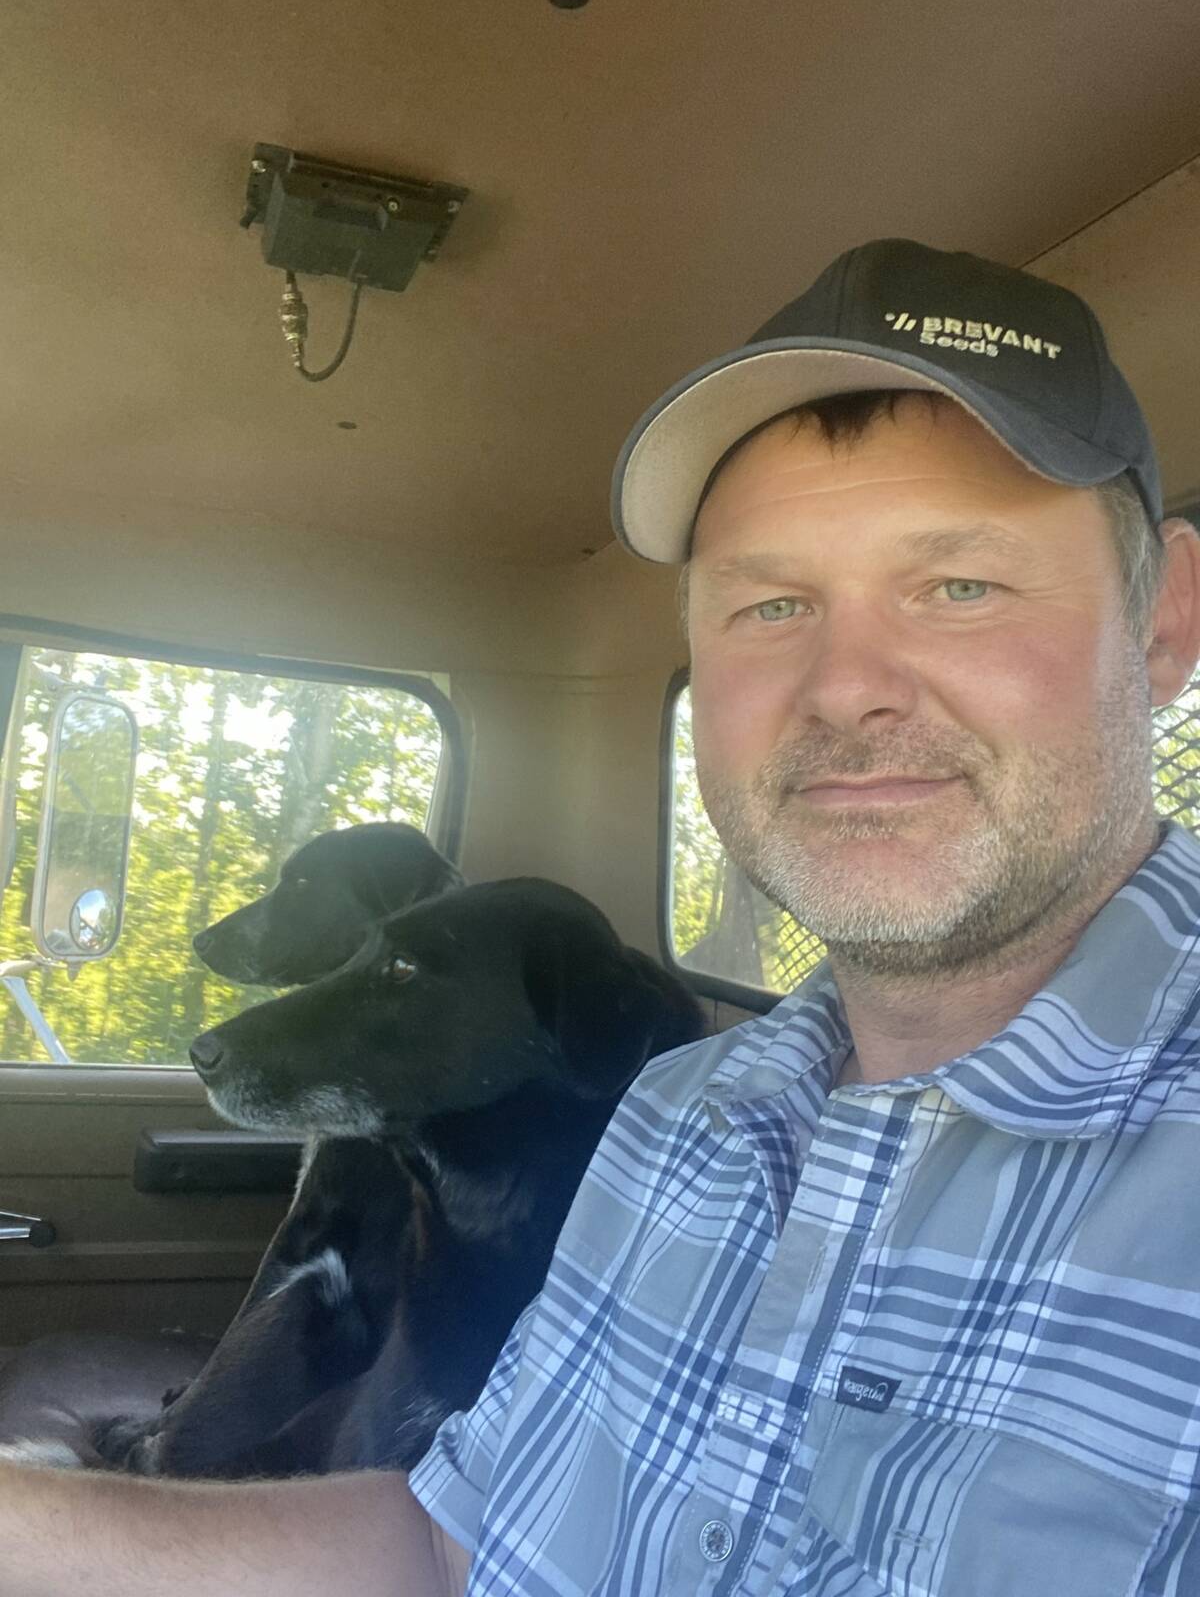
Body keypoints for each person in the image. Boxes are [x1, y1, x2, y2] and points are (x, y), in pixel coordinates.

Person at [3, 236, 1200, 1596]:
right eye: (772, 602)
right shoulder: (680, 1115)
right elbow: (459, 1547)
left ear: (1163, 623)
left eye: (960, 586)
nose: (846, 686)